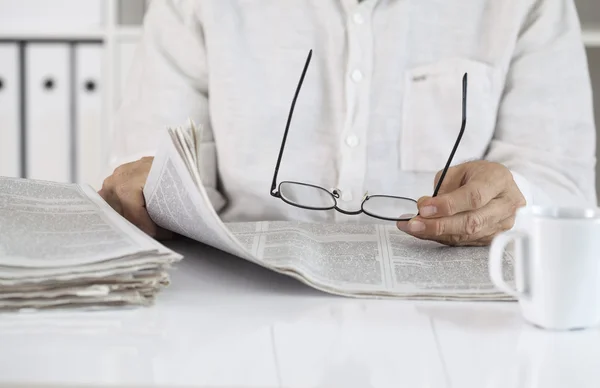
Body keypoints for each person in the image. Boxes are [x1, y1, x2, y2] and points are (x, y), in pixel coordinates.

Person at [99, 0, 597, 247]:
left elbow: (563, 186)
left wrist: (513, 199)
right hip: (236, 310)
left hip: (458, 328)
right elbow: (151, 168)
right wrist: (149, 191)